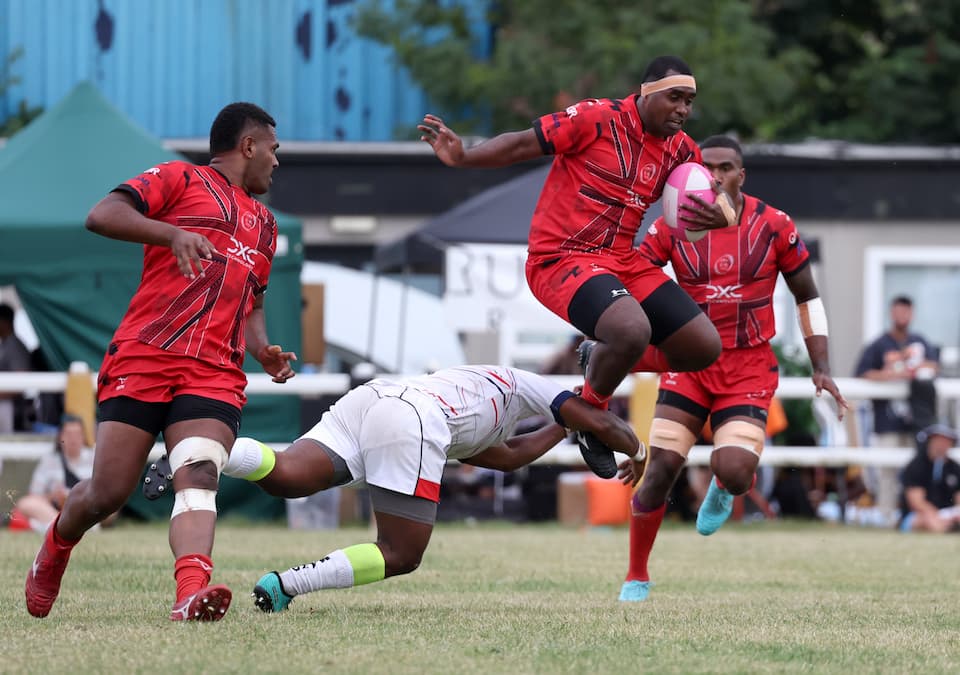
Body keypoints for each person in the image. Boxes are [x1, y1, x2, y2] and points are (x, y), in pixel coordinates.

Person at [24, 102, 297, 622]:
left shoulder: (266, 224)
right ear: (249, 146)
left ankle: (189, 595)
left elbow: (253, 301)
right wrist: (169, 233)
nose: (276, 162)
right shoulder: (178, 177)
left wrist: (262, 348)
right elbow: (101, 214)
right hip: (146, 353)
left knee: (199, 471)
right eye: (274, 150)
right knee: (106, 494)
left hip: (215, 371)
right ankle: (55, 548)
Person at [419, 56, 731, 478]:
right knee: (631, 329)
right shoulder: (597, 118)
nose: (683, 109)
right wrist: (464, 158)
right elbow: (520, 144)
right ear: (646, 92)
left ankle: (595, 371)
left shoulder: (681, 150)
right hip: (561, 258)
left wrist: (724, 215)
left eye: (690, 101)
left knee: (702, 347)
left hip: (622, 261)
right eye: (675, 97)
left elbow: (718, 196)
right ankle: (594, 418)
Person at [598, 135, 848, 601]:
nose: (714, 175)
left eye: (725, 167)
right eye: (705, 166)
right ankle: (636, 575)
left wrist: (821, 366)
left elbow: (807, 296)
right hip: (690, 364)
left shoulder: (774, 225)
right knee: (659, 472)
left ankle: (725, 484)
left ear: (741, 174)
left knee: (732, 469)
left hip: (748, 367)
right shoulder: (671, 227)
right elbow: (630, 281)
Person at [218, 365, 639, 612]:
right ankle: (287, 585)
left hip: (375, 398)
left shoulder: (485, 404)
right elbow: (602, 423)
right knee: (401, 554)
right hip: (411, 415)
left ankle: (208, 453)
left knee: (288, 476)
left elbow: (509, 456)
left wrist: (565, 426)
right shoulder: (532, 383)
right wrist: (638, 452)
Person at [855, 295, 940, 517]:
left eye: (906, 312)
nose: (902, 316)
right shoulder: (879, 344)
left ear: (912, 314)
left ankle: (913, 515)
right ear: (891, 313)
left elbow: (934, 366)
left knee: (917, 469)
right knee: (887, 471)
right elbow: (863, 373)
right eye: (898, 311)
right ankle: (886, 516)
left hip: (916, 421)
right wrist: (894, 372)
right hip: (888, 420)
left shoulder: (919, 341)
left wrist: (915, 366)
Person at [13, 415, 111, 533]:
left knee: (110, 507)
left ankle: (57, 527)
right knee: (25, 503)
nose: (73, 439)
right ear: (61, 436)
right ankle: (60, 525)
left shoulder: (94, 458)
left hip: (87, 509)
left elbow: (105, 492)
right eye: (69, 435)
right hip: (56, 510)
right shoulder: (49, 461)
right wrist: (53, 497)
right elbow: (34, 495)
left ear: (83, 437)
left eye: (77, 434)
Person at [898, 423, 960, 533]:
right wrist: (937, 516)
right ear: (930, 442)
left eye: (946, 441)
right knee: (930, 521)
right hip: (918, 515)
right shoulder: (916, 466)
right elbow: (916, 502)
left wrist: (954, 514)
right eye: (938, 440)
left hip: (946, 514)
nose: (942, 445)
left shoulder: (954, 468)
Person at [0, 302, 32, 433]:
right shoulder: (5, 344)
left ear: (4, 322)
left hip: (12, 411)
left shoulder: (15, 347)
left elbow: (21, 384)